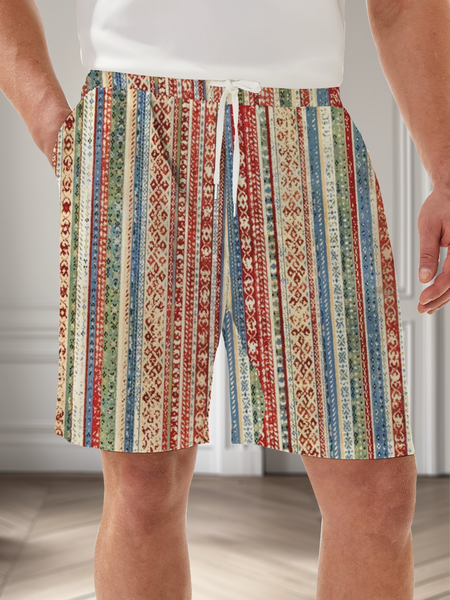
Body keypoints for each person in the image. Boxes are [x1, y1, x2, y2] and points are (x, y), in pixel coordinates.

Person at [0, 0, 449, 598]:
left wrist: (446, 171)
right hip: (135, 123)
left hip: (306, 126)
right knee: (144, 486)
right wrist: (47, 119)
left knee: (376, 492)